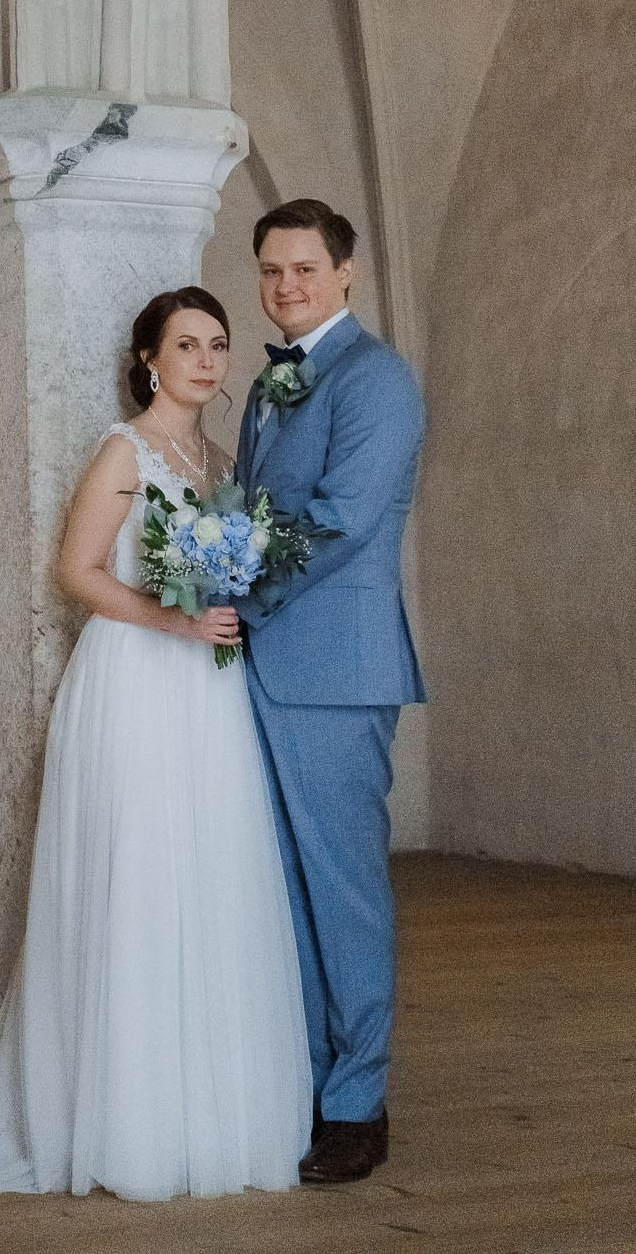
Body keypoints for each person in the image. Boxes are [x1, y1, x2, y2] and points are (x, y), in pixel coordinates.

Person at [0, 287, 311, 1200]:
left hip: (209, 690)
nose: (204, 360)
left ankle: (206, 1119)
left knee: (211, 874)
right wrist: (173, 619)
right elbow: (75, 572)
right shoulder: (125, 450)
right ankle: (119, 1124)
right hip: (136, 679)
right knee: (136, 874)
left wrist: (231, 598)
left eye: (217, 344)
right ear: (148, 359)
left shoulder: (222, 462)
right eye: (184, 344)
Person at [236, 198, 426, 1186]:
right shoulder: (267, 383)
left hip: (337, 671)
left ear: (345, 271)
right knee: (283, 891)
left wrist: (234, 593)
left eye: (304, 268)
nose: (286, 286)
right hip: (262, 667)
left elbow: (344, 518)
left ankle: (358, 1104)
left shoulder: (376, 376)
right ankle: (308, 1086)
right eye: (271, 270)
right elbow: (250, 510)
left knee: (343, 890)